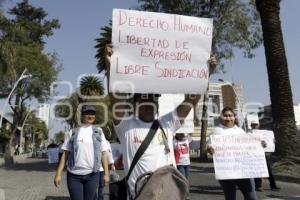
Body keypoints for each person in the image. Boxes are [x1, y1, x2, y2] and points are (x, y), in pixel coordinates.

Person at [105, 44, 217, 199]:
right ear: (136, 104)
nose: (151, 102)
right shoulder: (126, 125)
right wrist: (111, 67)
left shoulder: (167, 123)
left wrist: (205, 74)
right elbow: (114, 97)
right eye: (145, 99)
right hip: (140, 195)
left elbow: (192, 99)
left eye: (154, 98)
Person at [54, 105, 110, 200]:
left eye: (92, 114)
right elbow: (65, 154)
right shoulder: (73, 132)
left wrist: (106, 174)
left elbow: (104, 154)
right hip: (74, 176)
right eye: (87, 113)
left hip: (93, 175)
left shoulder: (99, 132)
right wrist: (58, 174)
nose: (90, 116)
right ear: (82, 116)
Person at [207, 107, 257, 200]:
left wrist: (260, 145)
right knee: (230, 197)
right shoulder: (216, 131)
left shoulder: (241, 131)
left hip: (243, 170)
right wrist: (210, 149)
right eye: (225, 116)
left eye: (230, 115)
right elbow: (210, 147)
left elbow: (250, 147)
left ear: (234, 117)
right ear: (222, 117)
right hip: (226, 172)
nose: (228, 118)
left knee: (252, 197)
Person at [250, 123, 281, 192]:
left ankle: (273, 185)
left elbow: (266, 145)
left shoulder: (264, 134)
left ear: (258, 125)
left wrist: (272, 142)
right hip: (254, 154)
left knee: (268, 169)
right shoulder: (249, 134)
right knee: (257, 170)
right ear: (251, 126)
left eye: (256, 124)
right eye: (253, 125)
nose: (255, 126)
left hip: (262, 153)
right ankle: (258, 186)